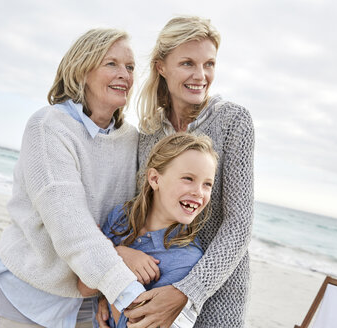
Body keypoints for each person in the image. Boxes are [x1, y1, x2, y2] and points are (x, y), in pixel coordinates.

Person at [0, 28, 149, 328]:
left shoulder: (130, 140)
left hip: (89, 299)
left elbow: (130, 217)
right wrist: (128, 292)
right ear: (81, 70)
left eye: (130, 67)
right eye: (111, 63)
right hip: (31, 293)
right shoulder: (48, 127)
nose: (124, 74)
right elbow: (70, 225)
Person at [123, 16, 255, 327]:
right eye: (187, 63)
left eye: (209, 64)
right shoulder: (148, 133)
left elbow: (239, 223)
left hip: (217, 290)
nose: (201, 75)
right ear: (161, 67)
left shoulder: (233, 122)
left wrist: (188, 291)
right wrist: (113, 279)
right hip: (153, 280)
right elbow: (137, 213)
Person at [78, 132, 218, 328]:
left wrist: (111, 262)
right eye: (188, 178)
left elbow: (131, 322)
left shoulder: (186, 260)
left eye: (207, 184)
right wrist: (119, 254)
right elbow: (84, 287)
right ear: (154, 179)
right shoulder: (119, 217)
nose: (199, 192)